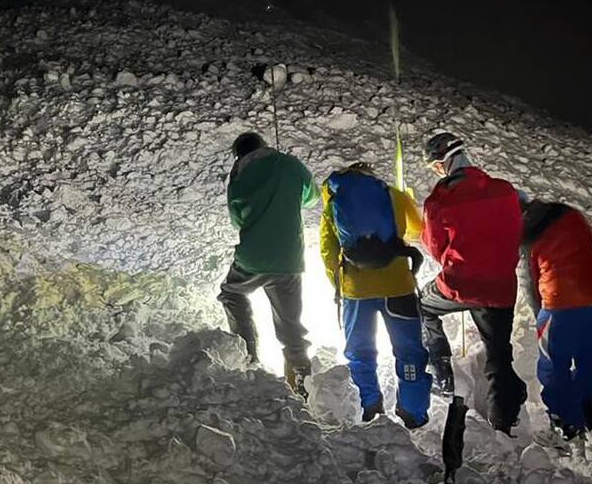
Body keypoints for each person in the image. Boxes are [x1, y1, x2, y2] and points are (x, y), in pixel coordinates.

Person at [419, 132, 527, 433]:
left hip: (458, 285)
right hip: (500, 289)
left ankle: (442, 375)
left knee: (422, 308)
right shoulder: (505, 191)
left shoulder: (439, 200)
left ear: (442, 164)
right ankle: (503, 422)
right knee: (498, 353)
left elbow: (436, 249)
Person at [319, 162, 431, 427]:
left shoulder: (334, 202)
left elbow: (327, 250)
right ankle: (412, 411)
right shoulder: (393, 195)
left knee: (360, 351)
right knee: (409, 351)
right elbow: (418, 229)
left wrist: (340, 285)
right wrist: (407, 199)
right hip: (398, 288)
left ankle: (370, 406)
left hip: (356, 292)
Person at [218, 131, 319, 396]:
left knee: (231, 293)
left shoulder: (237, 177)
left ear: (239, 154)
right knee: (290, 323)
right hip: (289, 260)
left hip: (252, 257)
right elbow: (312, 197)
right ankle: (299, 380)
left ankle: (247, 354)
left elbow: (236, 219)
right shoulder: (289, 164)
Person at [520, 196, 592, 460]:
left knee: (554, 367)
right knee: (591, 365)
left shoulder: (528, 239)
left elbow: (531, 285)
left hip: (561, 305)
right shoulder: (569, 214)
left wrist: (542, 317)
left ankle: (567, 430)